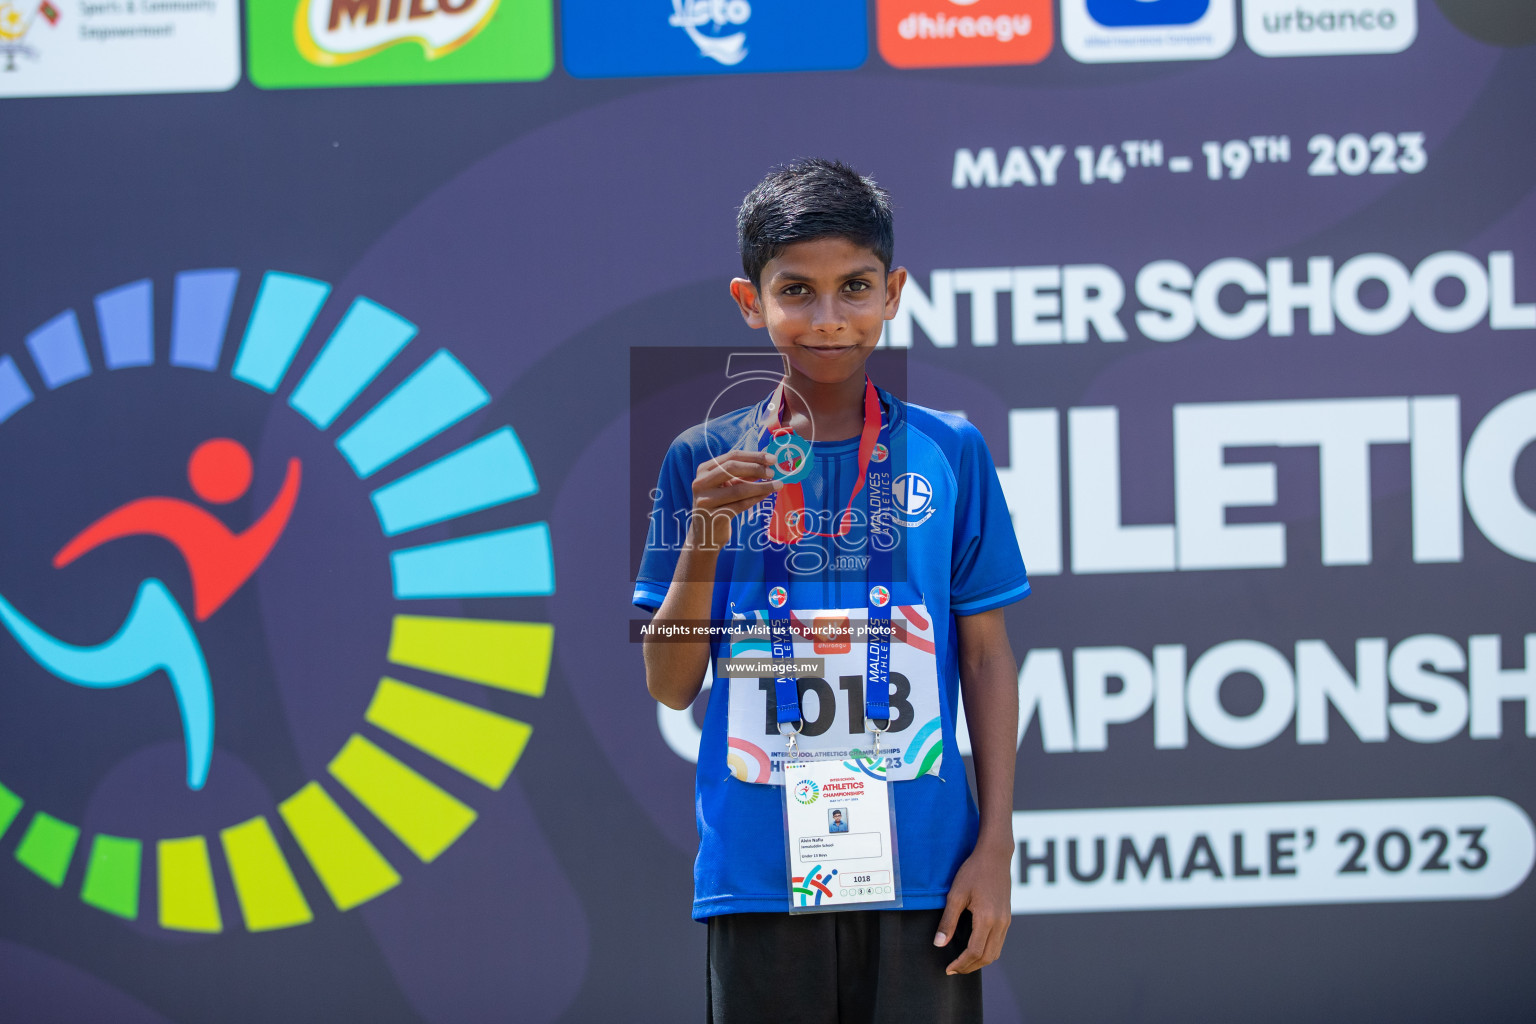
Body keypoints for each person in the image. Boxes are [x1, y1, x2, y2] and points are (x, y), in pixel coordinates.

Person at [636, 158, 1029, 1023]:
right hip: (761, 871)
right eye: (795, 291)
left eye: (854, 287)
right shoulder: (699, 461)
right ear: (751, 302)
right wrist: (705, 532)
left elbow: (987, 656)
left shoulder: (951, 450)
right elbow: (670, 686)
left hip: (927, 871)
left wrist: (995, 843)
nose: (827, 319)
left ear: (893, 292)